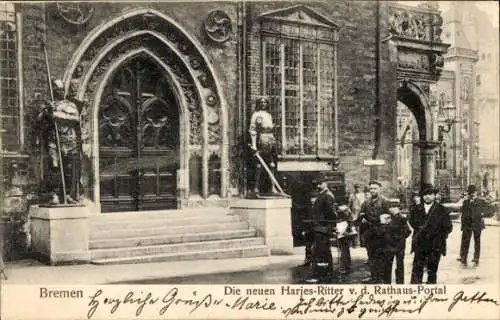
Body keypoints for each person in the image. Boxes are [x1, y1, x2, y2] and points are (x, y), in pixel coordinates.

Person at [37, 79, 82, 205]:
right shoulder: (48, 105)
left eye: (62, 89)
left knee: (68, 169)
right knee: (54, 167)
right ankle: (54, 194)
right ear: (53, 90)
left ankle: (67, 194)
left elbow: (75, 119)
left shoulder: (70, 105)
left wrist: (56, 114)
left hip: (69, 141)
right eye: (57, 89)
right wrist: (46, 112)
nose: (60, 91)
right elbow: (39, 121)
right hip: (54, 141)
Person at [409, 185, 452, 284]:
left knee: (432, 270)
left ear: (434, 195)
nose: (427, 197)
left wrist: (439, 236)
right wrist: (420, 230)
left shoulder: (441, 209)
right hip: (420, 243)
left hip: (435, 245)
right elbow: (412, 221)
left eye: (430, 194)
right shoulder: (416, 209)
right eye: (425, 194)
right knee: (417, 270)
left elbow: (448, 227)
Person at [357, 180, 392, 283]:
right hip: (369, 233)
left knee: (380, 256)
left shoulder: (385, 202)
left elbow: (390, 218)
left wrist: (384, 226)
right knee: (371, 255)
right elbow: (361, 215)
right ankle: (373, 277)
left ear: (379, 189)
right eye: (371, 188)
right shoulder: (365, 203)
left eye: (375, 188)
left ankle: (381, 278)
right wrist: (361, 218)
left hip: (381, 234)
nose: (372, 190)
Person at [307, 178, 337, 281]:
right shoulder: (323, 194)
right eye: (317, 184)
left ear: (325, 183)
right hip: (321, 228)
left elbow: (332, 214)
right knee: (323, 251)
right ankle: (326, 273)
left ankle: (320, 275)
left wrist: (326, 224)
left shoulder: (327, 195)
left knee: (320, 252)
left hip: (322, 228)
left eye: (320, 184)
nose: (318, 186)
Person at [248, 97, 278, 196]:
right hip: (262, 139)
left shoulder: (269, 115)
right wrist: (254, 144)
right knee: (259, 165)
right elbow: (253, 129)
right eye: (261, 102)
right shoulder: (256, 114)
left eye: (265, 102)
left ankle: (272, 187)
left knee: (272, 164)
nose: (263, 103)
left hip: (270, 139)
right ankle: (256, 187)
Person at [375, 207, 411, 284]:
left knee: (388, 265)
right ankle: (399, 282)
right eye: (391, 207)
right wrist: (401, 238)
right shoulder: (401, 219)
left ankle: (388, 282)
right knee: (399, 265)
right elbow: (408, 231)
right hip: (398, 245)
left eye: (394, 207)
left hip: (390, 245)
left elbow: (381, 233)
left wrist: (383, 224)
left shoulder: (388, 218)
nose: (392, 209)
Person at [458, 185, 486, 266]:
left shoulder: (480, 201)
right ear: (468, 194)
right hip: (467, 224)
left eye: (473, 193)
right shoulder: (465, 202)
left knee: (477, 241)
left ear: (476, 193)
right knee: (465, 241)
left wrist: (482, 215)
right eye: (470, 194)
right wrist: (463, 226)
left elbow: (486, 209)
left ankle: (476, 257)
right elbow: (463, 214)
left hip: (477, 224)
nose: (472, 195)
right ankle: (463, 257)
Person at [336, 205, 355, 274]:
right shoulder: (346, 215)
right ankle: (346, 267)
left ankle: (345, 267)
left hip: (344, 234)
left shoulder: (346, 217)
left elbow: (350, 224)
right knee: (345, 251)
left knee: (344, 251)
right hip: (343, 234)